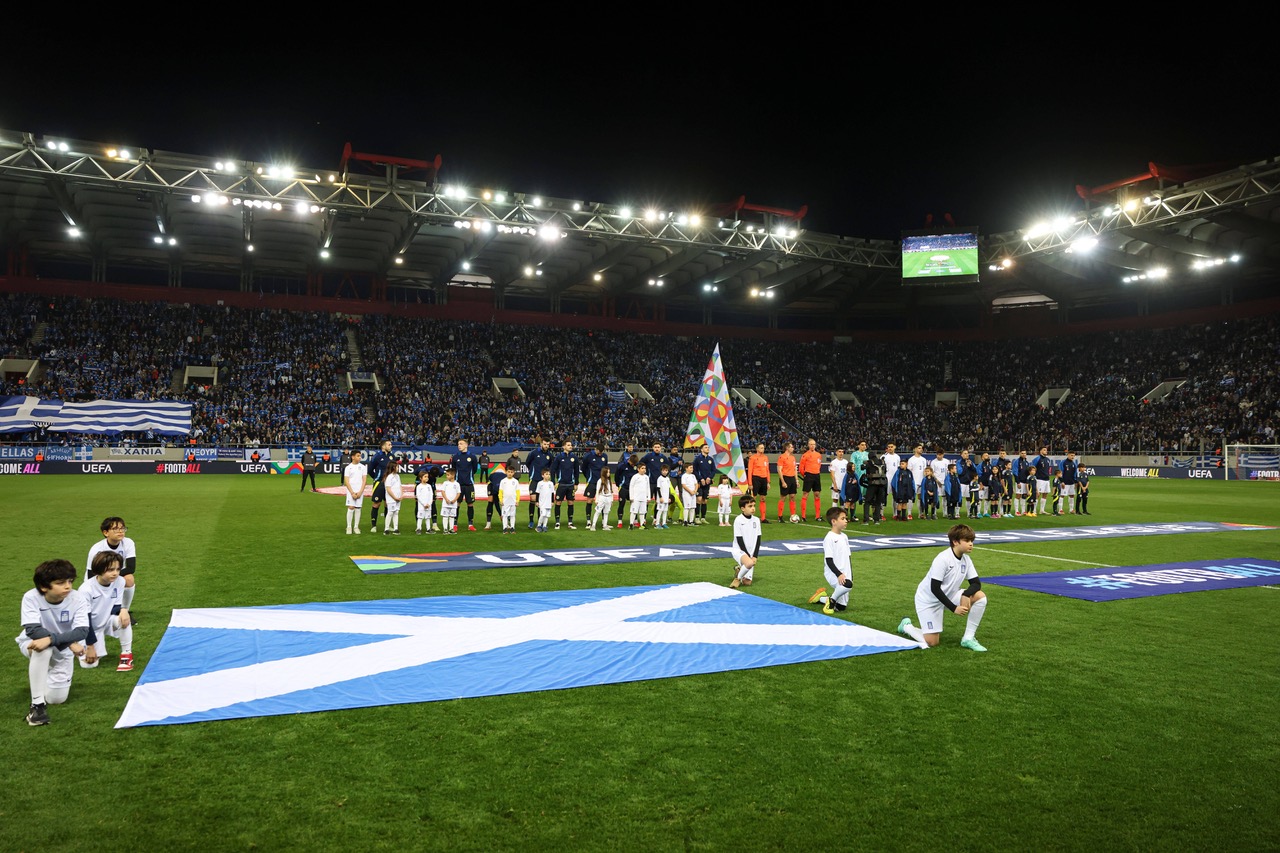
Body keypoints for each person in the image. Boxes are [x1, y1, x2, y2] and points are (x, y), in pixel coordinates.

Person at [17, 559, 90, 726]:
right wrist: (69, 643)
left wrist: (53, 640)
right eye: (60, 583)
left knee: (57, 699)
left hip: (61, 645)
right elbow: (32, 630)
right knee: (43, 650)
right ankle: (37, 707)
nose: (68, 586)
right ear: (44, 587)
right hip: (33, 642)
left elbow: (82, 631)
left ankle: (43, 676)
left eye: (70, 581)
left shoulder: (77, 598)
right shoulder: (31, 597)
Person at [897, 523, 989, 652]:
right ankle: (907, 626)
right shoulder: (943, 559)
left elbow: (976, 583)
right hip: (928, 600)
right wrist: (954, 608)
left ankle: (968, 638)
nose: (971, 544)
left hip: (949, 595)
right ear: (955, 542)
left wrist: (966, 594)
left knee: (980, 597)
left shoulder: (966, 560)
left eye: (972, 541)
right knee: (932, 642)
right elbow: (935, 588)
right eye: (967, 541)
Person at [78, 550, 133, 672]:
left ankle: (126, 655)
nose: (115, 573)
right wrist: (91, 646)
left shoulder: (119, 581)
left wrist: (124, 610)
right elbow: (84, 621)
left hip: (106, 620)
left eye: (118, 569)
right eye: (110, 570)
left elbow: (116, 605)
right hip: (87, 627)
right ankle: (75, 646)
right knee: (90, 664)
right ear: (98, 569)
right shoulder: (85, 590)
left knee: (124, 618)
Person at [86, 516, 138, 614]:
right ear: (105, 533)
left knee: (129, 579)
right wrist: (106, 578)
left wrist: (113, 575)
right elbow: (91, 574)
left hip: (116, 575)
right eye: (115, 529)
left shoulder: (128, 542)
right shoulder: (97, 549)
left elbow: (131, 568)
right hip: (99, 578)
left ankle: (125, 611)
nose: (120, 531)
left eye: (122, 528)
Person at [808, 506, 852, 614]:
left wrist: (850, 574)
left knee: (841, 607)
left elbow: (848, 557)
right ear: (834, 521)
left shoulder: (844, 537)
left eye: (846, 518)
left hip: (845, 574)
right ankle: (831, 601)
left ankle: (822, 597)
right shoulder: (829, 538)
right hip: (834, 574)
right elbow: (829, 560)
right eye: (842, 518)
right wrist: (838, 574)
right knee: (847, 585)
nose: (846, 521)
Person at [729, 494, 761, 588]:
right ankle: (737, 579)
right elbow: (739, 539)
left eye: (754, 506)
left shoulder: (756, 520)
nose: (753, 508)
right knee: (749, 563)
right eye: (750, 506)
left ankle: (739, 570)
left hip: (751, 552)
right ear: (743, 508)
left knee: (747, 582)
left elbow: (758, 538)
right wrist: (747, 555)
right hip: (739, 550)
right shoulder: (738, 520)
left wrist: (754, 555)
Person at [449, 439, 481, 531]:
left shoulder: (472, 457)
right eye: (458, 444)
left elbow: (474, 469)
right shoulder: (455, 457)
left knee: (470, 504)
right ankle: (455, 524)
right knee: (457, 504)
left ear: (466, 445)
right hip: (458, 485)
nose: (459, 445)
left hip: (469, 484)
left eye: (461, 444)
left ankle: (470, 524)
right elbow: (453, 469)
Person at [550, 439, 581, 529]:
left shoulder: (574, 458)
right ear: (563, 447)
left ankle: (570, 522)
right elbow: (553, 470)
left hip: (570, 484)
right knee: (558, 502)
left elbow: (576, 471)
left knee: (570, 502)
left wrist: (576, 483)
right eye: (568, 445)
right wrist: (554, 482)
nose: (570, 446)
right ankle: (557, 522)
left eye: (571, 445)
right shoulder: (559, 457)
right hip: (561, 484)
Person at [524, 438, 552, 529]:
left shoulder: (550, 455)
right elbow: (528, 463)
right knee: (533, 498)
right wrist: (533, 472)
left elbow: (550, 467)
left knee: (541, 501)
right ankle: (531, 520)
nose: (546, 446)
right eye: (545, 444)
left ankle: (540, 521)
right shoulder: (534, 453)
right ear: (541, 444)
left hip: (543, 482)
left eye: (548, 444)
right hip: (534, 479)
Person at [366, 439, 393, 533]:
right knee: (376, 503)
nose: (391, 446)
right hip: (379, 483)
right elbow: (370, 470)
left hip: (389, 484)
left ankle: (387, 525)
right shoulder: (377, 456)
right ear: (383, 446)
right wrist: (377, 478)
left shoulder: (391, 457)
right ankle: (373, 526)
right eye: (389, 445)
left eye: (391, 445)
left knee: (388, 504)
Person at [799, 438, 824, 521]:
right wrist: (805, 475)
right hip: (809, 475)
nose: (813, 446)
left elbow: (819, 465)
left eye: (814, 444)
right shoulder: (805, 455)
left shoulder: (818, 455)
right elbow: (801, 468)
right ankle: (803, 516)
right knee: (805, 494)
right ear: (808, 445)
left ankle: (817, 516)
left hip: (816, 475)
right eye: (811, 444)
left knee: (817, 494)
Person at [343, 449, 367, 535]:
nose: (360, 457)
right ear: (353, 457)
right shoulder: (348, 468)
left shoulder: (363, 467)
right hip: (351, 491)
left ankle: (356, 526)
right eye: (358, 456)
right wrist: (352, 492)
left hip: (360, 491)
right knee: (351, 507)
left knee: (358, 508)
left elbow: (364, 480)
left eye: (360, 456)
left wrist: (360, 492)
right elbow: (347, 481)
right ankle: (349, 526)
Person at [693, 442, 718, 525]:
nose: (707, 449)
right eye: (706, 447)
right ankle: (697, 517)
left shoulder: (710, 459)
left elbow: (714, 470)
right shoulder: (697, 459)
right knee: (699, 499)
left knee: (705, 501)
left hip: (707, 483)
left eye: (708, 447)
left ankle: (703, 517)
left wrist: (709, 478)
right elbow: (695, 470)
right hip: (699, 483)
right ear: (701, 449)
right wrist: (700, 478)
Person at [747, 442, 772, 524]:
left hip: (764, 478)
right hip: (756, 478)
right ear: (757, 449)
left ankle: (763, 518)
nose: (763, 449)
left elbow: (767, 470)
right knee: (753, 498)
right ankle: (749, 516)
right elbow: (750, 470)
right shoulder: (753, 458)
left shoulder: (765, 458)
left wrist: (768, 481)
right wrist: (750, 483)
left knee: (763, 498)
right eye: (761, 448)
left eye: (763, 448)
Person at [861, 450, 888, 525]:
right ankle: (877, 520)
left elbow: (864, 469)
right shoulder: (882, 462)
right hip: (882, 484)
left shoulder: (869, 462)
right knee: (878, 502)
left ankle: (866, 520)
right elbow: (885, 471)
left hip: (872, 484)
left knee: (867, 502)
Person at [614, 449, 638, 529]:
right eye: (632, 463)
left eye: (634, 464)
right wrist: (618, 485)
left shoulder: (636, 466)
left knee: (634, 504)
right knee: (622, 503)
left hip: (633, 489)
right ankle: (620, 521)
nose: (632, 465)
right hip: (623, 488)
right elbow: (616, 476)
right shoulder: (622, 465)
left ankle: (635, 520)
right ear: (629, 460)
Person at [777, 441, 798, 521]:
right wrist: (783, 481)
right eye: (791, 447)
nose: (793, 448)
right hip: (785, 478)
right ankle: (780, 516)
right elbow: (779, 470)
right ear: (787, 448)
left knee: (792, 497)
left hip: (792, 478)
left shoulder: (793, 458)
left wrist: (796, 480)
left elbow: (795, 469)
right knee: (783, 497)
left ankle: (793, 515)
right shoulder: (782, 457)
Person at [906, 444, 928, 520]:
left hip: (922, 481)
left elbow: (925, 470)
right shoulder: (911, 459)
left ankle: (921, 513)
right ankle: (909, 513)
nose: (921, 449)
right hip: (914, 481)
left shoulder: (924, 459)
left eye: (921, 448)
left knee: (920, 498)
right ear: (915, 449)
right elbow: (909, 471)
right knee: (911, 497)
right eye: (919, 448)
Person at [382, 459, 403, 535]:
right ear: (393, 467)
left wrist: (401, 494)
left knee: (396, 512)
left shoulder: (397, 476)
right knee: (390, 512)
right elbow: (388, 489)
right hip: (391, 498)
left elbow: (400, 486)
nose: (398, 468)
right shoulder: (389, 477)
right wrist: (394, 497)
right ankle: (386, 528)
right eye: (397, 467)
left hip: (397, 497)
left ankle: (396, 528)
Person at [498, 469, 522, 533]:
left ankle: (512, 528)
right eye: (508, 472)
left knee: (512, 515)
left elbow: (518, 492)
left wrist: (517, 500)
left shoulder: (516, 481)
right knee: (505, 515)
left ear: (514, 473)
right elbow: (500, 491)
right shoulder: (503, 481)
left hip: (513, 501)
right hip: (505, 501)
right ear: (506, 472)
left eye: (511, 472)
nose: (510, 473)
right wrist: (501, 500)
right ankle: (504, 528)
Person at [484, 463, 508, 530]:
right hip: (491, 485)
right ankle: (488, 523)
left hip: (498, 485)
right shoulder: (497, 482)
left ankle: (506, 522)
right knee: (491, 501)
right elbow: (496, 502)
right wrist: (500, 514)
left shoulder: (505, 481)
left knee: (505, 503)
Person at [628, 462, 651, 529]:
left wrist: (648, 497)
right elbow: (631, 487)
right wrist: (631, 497)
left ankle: (642, 524)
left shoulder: (646, 477)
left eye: (645, 468)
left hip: (643, 497)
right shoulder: (635, 477)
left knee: (642, 512)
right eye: (642, 468)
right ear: (638, 469)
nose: (644, 470)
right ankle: (631, 524)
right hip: (636, 497)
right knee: (634, 511)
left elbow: (648, 487)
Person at [1032, 445, 1054, 516]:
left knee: (1045, 494)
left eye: (1046, 450)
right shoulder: (1037, 459)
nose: (1046, 451)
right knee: (1037, 494)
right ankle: (1034, 510)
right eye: (1044, 450)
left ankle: (1042, 510)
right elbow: (1032, 468)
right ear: (1040, 451)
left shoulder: (1048, 459)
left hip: (1046, 479)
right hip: (1039, 479)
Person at [882, 442, 902, 517]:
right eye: (889, 447)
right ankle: (881, 514)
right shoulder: (884, 457)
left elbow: (898, 468)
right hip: (886, 479)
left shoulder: (897, 457)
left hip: (895, 479)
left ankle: (895, 513)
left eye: (891, 447)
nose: (890, 448)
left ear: (895, 447)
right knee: (883, 496)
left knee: (895, 497)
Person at [439, 467, 462, 534]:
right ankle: (445, 529)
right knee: (445, 516)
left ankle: (451, 529)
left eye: (448, 475)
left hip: (453, 504)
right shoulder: (445, 483)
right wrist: (446, 499)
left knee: (452, 516)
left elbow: (458, 493)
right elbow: (443, 492)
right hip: (446, 503)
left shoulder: (457, 484)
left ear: (453, 475)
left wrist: (455, 500)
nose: (447, 476)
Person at [828, 448, 848, 519]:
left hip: (844, 485)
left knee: (844, 500)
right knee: (835, 499)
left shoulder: (845, 462)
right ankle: (833, 515)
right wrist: (835, 485)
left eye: (842, 451)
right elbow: (832, 474)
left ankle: (842, 515)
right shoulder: (834, 462)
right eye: (839, 451)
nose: (841, 453)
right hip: (837, 484)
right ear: (836, 452)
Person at [415, 467, 437, 534]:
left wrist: (429, 503)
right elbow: (418, 496)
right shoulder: (419, 487)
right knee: (420, 517)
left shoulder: (429, 486)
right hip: (422, 505)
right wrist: (424, 504)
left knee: (428, 517)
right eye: (425, 477)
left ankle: (428, 529)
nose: (427, 478)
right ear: (421, 478)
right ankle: (419, 528)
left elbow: (431, 495)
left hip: (428, 505)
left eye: (427, 477)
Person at [681, 462, 700, 527]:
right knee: (687, 507)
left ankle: (691, 521)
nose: (692, 469)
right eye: (690, 468)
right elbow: (684, 485)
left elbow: (696, 484)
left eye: (692, 467)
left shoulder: (693, 476)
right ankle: (685, 521)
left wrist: (695, 490)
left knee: (693, 507)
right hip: (687, 493)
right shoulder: (684, 476)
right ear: (686, 468)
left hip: (693, 493)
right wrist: (690, 491)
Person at [654, 463, 673, 529]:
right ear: (661, 471)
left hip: (666, 498)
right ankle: (657, 524)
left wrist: (669, 497)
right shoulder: (660, 478)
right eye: (663, 470)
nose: (665, 472)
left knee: (665, 511)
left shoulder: (667, 479)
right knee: (660, 511)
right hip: (661, 498)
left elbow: (669, 488)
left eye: (666, 470)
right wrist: (660, 497)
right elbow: (658, 488)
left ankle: (664, 523)